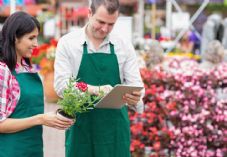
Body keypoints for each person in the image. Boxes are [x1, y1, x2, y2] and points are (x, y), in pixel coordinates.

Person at [54, 0, 144, 157]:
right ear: (89, 13)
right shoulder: (68, 43)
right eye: (101, 22)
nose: (104, 29)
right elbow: (62, 87)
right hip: (81, 129)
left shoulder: (123, 45)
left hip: (115, 131)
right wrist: (95, 90)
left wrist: (136, 97)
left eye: (111, 24)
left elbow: (136, 85)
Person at [0, 11, 74, 157]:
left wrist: (54, 117)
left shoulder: (27, 68)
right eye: (31, 38)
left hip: (33, 149)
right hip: (10, 151)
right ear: (15, 38)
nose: (36, 44)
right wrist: (41, 119)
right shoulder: (3, 71)